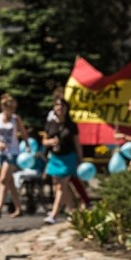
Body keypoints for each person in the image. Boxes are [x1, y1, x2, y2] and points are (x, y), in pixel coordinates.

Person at [41, 94, 82, 224]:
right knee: (60, 187)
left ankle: (53, 215)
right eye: (57, 105)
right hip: (55, 158)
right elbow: (44, 141)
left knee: (61, 186)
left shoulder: (71, 125)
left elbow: (77, 143)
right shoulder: (50, 124)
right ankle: (73, 212)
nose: (60, 108)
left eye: (62, 105)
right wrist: (50, 142)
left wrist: (80, 159)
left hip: (69, 157)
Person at [0, 94, 28, 218]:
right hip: (0, 153)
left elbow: (23, 132)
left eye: (12, 106)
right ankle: (19, 208)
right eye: (7, 106)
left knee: (3, 180)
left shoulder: (16, 119)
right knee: (10, 182)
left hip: (12, 153)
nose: (9, 109)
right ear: (2, 106)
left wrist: (27, 145)